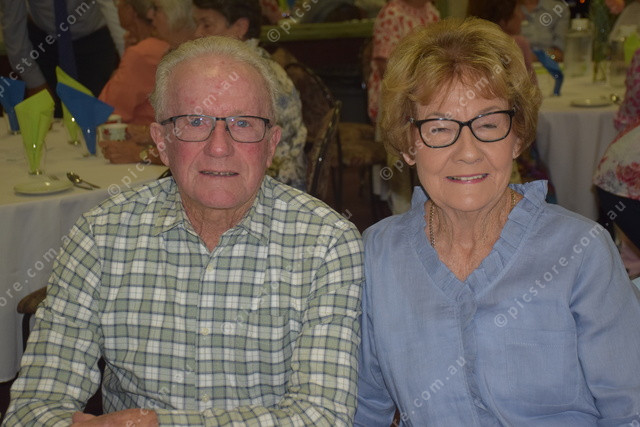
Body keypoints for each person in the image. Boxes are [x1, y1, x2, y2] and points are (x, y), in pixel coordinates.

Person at [3, 35, 364, 426]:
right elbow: (31, 409)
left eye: (243, 123)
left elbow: (322, 415)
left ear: (271, 144)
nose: (219, 147)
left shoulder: (326, 244)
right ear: (162, 142)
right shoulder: (101, 236)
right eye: (195, 121)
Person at [355, 17, 640, 425]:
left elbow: (631, 411)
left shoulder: (580, 254)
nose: (468, 151)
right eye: (440, 128)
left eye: (488, 124)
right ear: (409, 145)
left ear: (517, 136)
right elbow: (364, 407)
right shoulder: (378, 255)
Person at [193, 0, 308, 190]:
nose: (197, 34)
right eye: (196, 24)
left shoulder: (244, 77)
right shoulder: (253, 62)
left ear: (240, 27)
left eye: (207, 25)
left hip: (271, 185)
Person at [99, 0, 194, 163]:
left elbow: (103, 112)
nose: (150, 15)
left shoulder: (146, 52)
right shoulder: (169, 50)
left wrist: (140, 154)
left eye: (157, 9)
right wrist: (148, 135)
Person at [0, 0, 125, 114]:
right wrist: (33, 81)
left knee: (96, 114)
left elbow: (111, 8)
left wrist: (129, 60)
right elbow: (13, 22)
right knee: (48, 116)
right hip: (44, 44)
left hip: (93, 43)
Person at [98, 0, 170, 126]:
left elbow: (105, 112)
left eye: (118, 3)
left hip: (142, 133)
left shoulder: (141, 54)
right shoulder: (165, 43)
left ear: (129, 10)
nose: (116, 7)